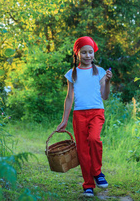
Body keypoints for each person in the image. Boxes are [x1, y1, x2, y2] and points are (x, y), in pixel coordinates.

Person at [56, 36, 113, 198]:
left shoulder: (100, 72)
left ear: (93, 54)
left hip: (96, 113)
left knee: (94, 139)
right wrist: (64, 120)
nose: (88, 56)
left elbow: (105, 96)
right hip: (79, 114)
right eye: (84, 52)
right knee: (82, 150)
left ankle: (97, 172)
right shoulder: (71, 74)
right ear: (77, 54)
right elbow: (69, 98)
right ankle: (88, 184)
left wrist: (108, 82)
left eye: (90, 52)